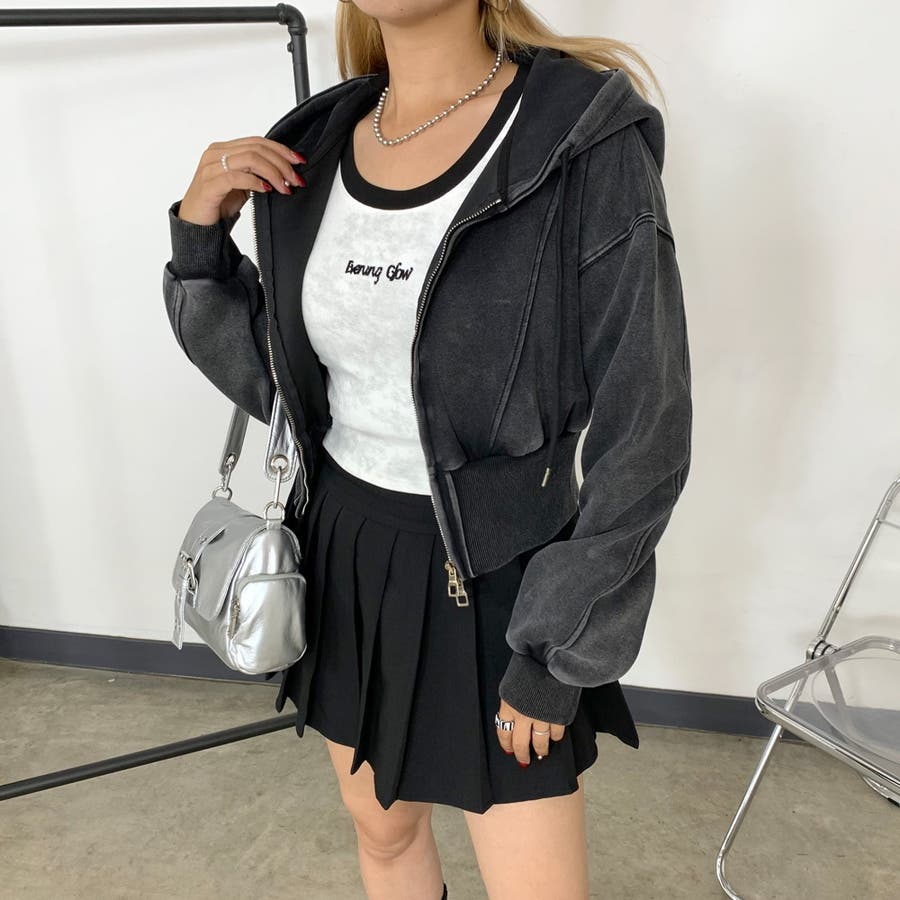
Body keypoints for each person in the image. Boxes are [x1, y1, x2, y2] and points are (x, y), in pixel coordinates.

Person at [162, 1, 692, 898]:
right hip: (346, 553)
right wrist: (200, 242)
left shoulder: (580, 140)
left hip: (501, 579)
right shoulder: (316, 145)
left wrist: (558, 645)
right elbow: (284, 384)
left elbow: (649, 427)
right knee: (384, 836)